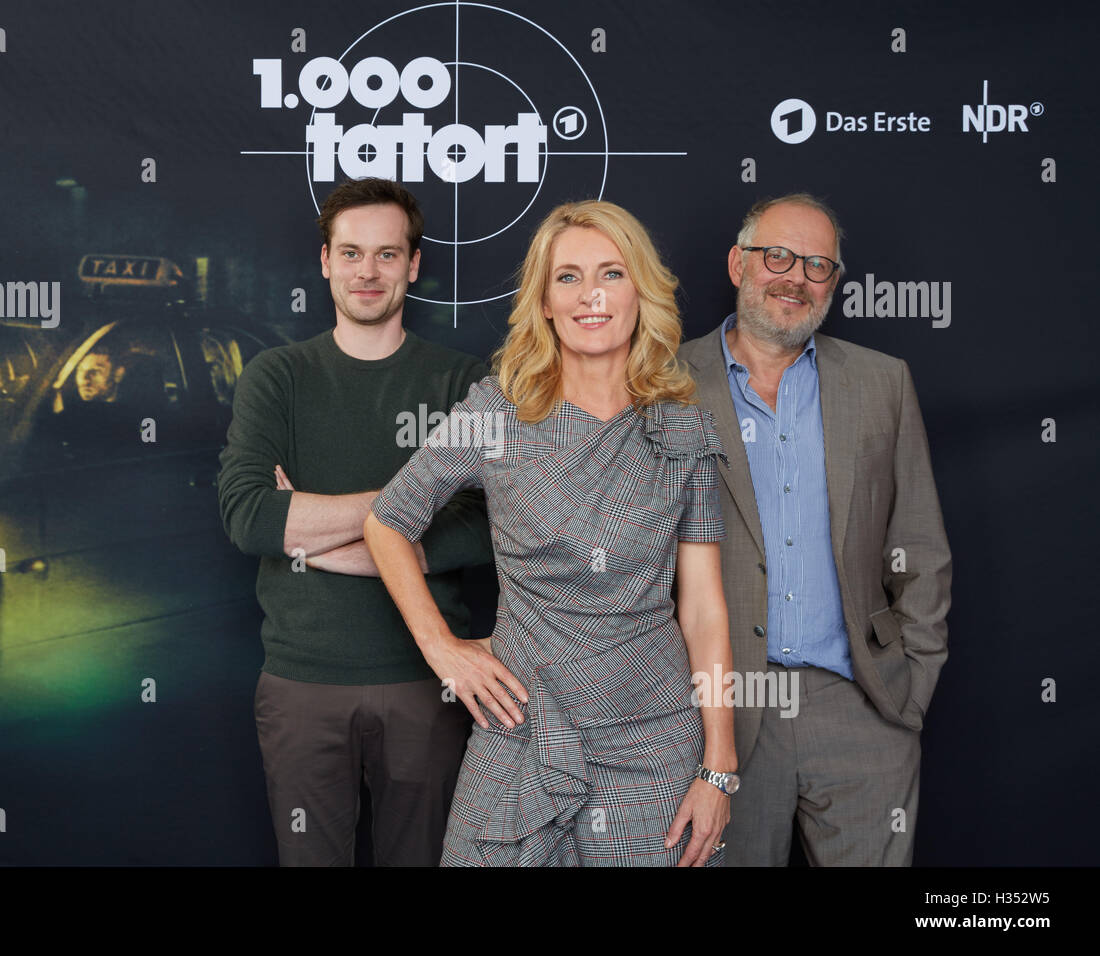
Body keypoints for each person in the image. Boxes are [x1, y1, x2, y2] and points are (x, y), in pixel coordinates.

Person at [365, 200, 738, 866]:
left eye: (611, 275)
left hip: (652, 745)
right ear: (542, 300)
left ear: (640, 292)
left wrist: (718, 767)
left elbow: (705, 609)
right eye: (567, 277)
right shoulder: (497, 412)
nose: (589, 296)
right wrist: (440, 646)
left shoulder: (684, 427)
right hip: (519, 730)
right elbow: (388, 519)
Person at [217, 178, 494, 866]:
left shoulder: (464, 384)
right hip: (303, 685)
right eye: (351, 254)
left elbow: (481, 531)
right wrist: (406, 510)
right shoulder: (277, 377)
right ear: (324, 262)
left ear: (414, 265)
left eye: (387, 254)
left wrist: (313, 534)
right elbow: (252, 517)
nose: (367, 272)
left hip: (428, 679)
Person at [675, 193, 952, 865]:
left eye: (818, 265)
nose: (795, 277)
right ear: (739, 263)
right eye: (778, 256)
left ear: (833, 281)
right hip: (719, 710)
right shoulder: (666, 381)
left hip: (858, 704)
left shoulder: (882, 383)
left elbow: (919, 544)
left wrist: (908, 689)